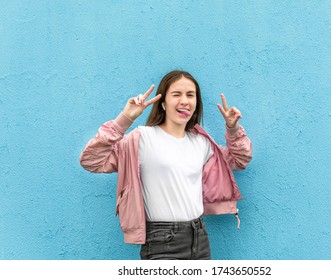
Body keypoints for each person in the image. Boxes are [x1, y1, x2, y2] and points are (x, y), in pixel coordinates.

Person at [80, 70, 252, 260]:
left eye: (190, 95)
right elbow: (91, 160)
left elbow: (240, 159)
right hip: (161, 241)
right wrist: (124, 119)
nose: (184, 101)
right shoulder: (141, 139)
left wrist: (233, 129)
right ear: (163, 103)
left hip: (199, 236)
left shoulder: (202, 143)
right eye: (176, 94)